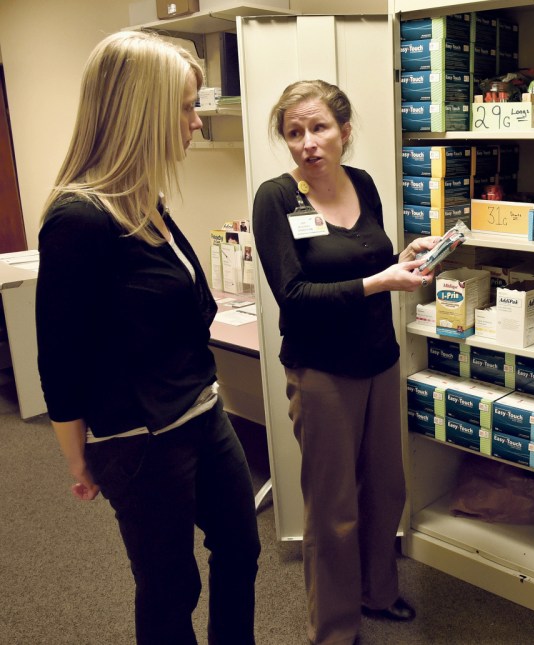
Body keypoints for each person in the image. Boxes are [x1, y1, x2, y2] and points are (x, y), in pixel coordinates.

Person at [35, 31, 260, 645]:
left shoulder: (147, 199)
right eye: (186, 107)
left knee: (241, 549)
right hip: (139, 439)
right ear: (142, 112)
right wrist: (79, 458)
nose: (194, 122)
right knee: (169, 590)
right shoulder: (79, 219)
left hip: (202, 411)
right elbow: (59, 359)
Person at [252, 79, 440, 645]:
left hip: (379, 362)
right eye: (294, 132)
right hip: (321, 372)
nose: (307, 142)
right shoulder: (276, 198)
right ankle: (333, 629)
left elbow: (373, 255)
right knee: (333, 508)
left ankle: (377, 593)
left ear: (344, 132)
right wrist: (380, 280)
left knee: (385, 489)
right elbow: (296, 295)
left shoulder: (362, 183)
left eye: (319, 127)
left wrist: (402, 258)